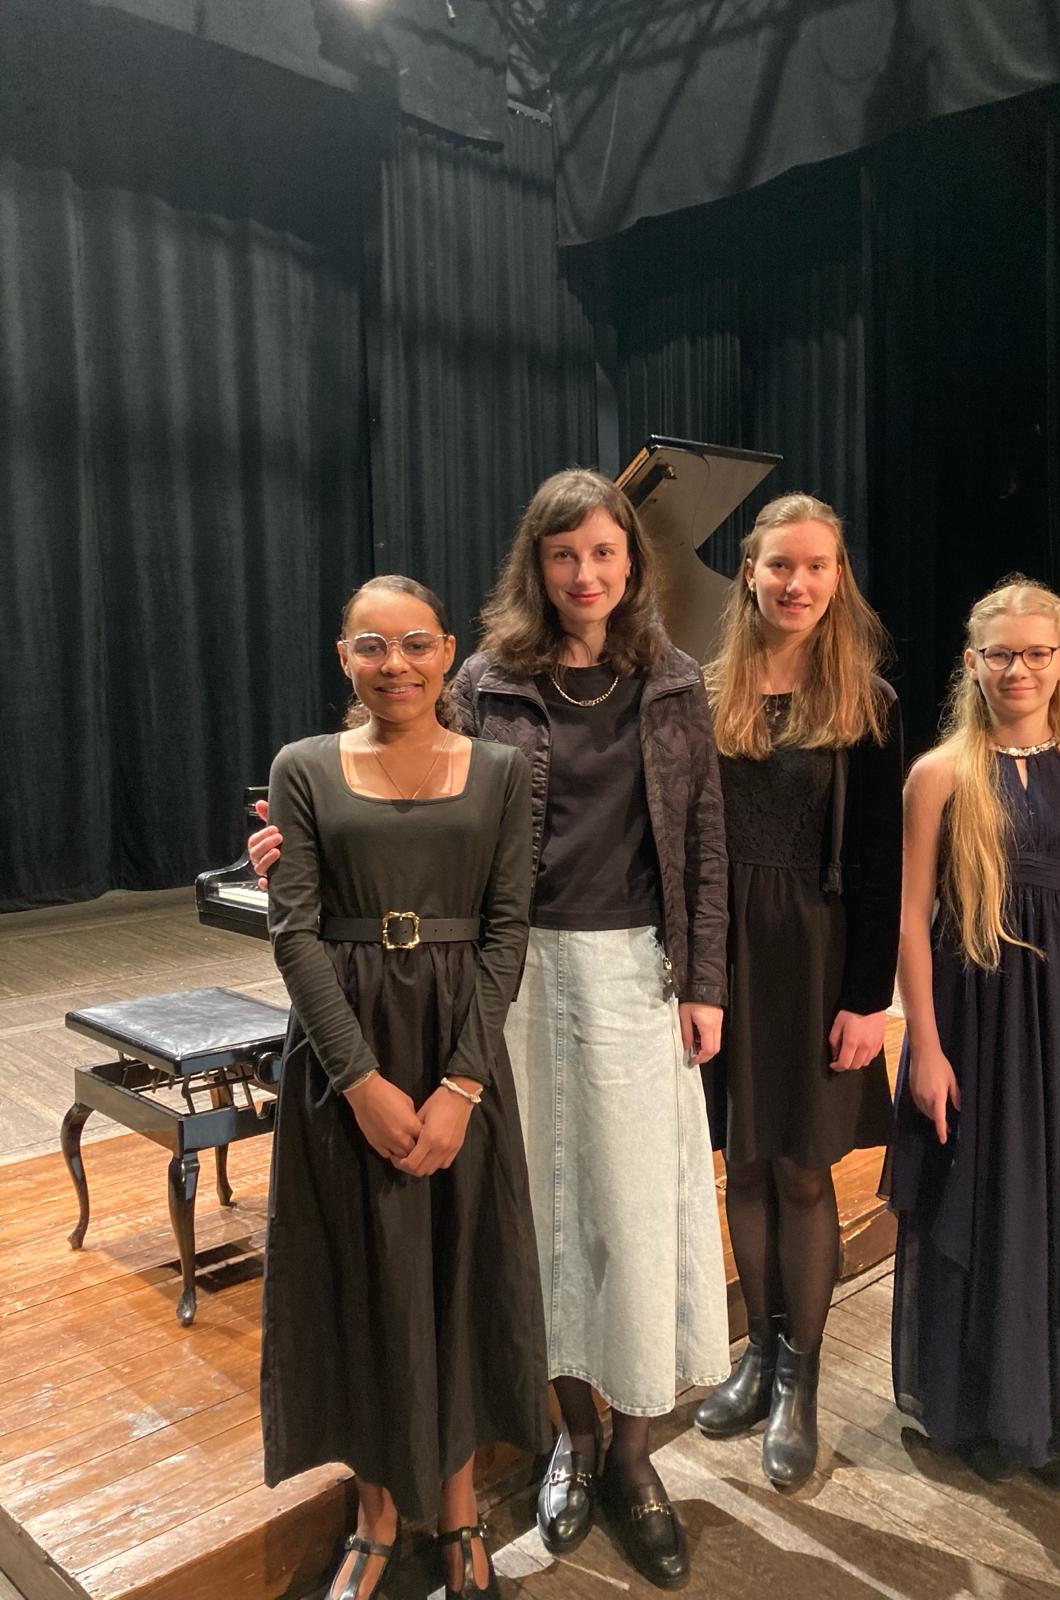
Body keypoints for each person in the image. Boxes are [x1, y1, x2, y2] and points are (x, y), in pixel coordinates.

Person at [251, 470, 730, 1591]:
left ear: (633, 561)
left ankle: (633, 1457)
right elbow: (400, 767)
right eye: (564, 555)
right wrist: (293, 845)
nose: (585, 574)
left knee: (629, 1214)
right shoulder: (485, 680)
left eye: (604, 552)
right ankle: (569, 1437)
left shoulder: (674, 681)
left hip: (630, 969)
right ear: (536, 565)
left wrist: (705, 978)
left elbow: (703, 835)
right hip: (499, 980)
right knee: (525, 1223)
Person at [262, 575, 549, 1600]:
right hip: (347, 1054)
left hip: (458, 1045)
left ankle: (461, 1509)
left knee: (461, 1274)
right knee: (363, 1278)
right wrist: (361, 1083)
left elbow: (509, 928)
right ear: (344, 657)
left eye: (416, 643)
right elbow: (293, 929)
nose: (397, 664)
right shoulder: (302, 766)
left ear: (448, 652)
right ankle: (377, 1514)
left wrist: (461, 1083)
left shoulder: (504, 769)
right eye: (373, 646)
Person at [886, 576, 1060, 1487]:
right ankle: (978, 1408)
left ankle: (1055, 1407)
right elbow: (912, 918)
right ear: (973, 662)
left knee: (1057, 1198)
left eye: (1036, 653)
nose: (1018, 669)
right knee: (977, 1195)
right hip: (971, 1023)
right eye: (1001, 654)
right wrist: (925, 1047)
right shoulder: (939, 775)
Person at [694, 493, 902, 1489]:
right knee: (743, 1163)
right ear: (750, 571)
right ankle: (756, 1353)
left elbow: (881, 862)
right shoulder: (707, 690)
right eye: (781, 564)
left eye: (817, 565)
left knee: (806, 1171)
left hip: (818, 957)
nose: (797, 582)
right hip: (727, 954)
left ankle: (798, 1379)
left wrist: (868, 997)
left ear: (837, 576)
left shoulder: (867, 701)